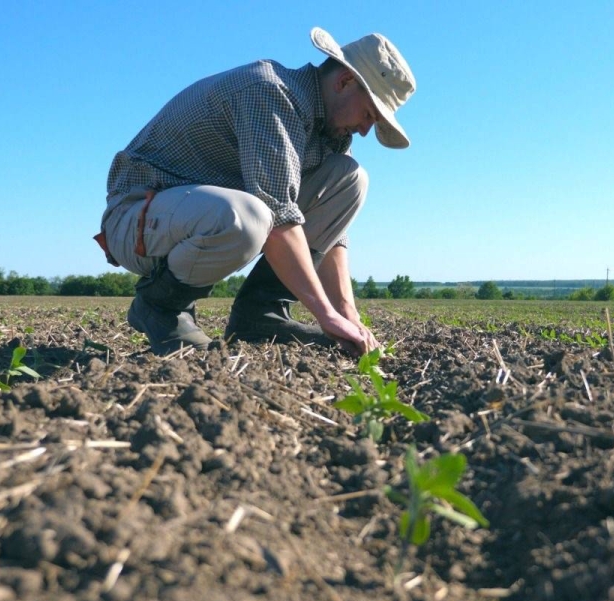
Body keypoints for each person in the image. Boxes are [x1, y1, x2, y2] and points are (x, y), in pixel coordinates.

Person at [94, 27, 415, 356]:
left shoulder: (330, 130)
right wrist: (326, 315)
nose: (365, 130)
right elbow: (278, 219)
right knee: (249, 217)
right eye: (369, 114)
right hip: (135, 219)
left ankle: (261, 315)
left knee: (350, 177)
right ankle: (160, 305)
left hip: (194, 218)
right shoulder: (271, 93)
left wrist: (347, 314)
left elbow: (331, 234)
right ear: (345, 81)